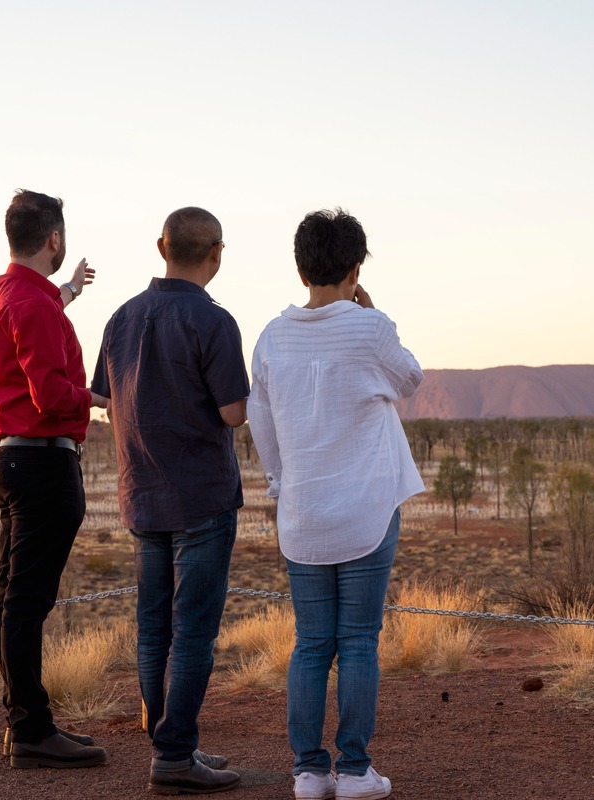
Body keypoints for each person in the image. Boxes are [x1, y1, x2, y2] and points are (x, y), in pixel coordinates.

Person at [247, 208, 424, 800]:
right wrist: (369, 315)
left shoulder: (272, 336)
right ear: (355, 268)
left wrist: (280, 484)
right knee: (358, 642)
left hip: (303, 512)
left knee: (310, 642)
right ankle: (353, 771)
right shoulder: (371, 329)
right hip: (367, 511)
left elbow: (261, 421)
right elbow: (410, 380)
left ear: (301, 269)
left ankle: (307, 771)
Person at [92, 207, 248, 795]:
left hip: (141, 494)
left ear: (162, 247)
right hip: (200, 498)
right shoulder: (214, 322)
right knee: (194, 632)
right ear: (217, 253)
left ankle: (169, 742)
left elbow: (104, 399)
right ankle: (175, 753)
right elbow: (233, 411)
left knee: (153, 626)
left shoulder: (122, 318)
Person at [0, 189, 109, 769]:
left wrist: (70, 291)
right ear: (53, 238)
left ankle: (28, 719)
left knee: (12, 598)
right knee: (27, 602)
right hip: (44, 463)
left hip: (9, 457)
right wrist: (100, 399)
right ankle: (30, 728)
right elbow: (51, 394)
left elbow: (37, 315)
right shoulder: (32, 306)